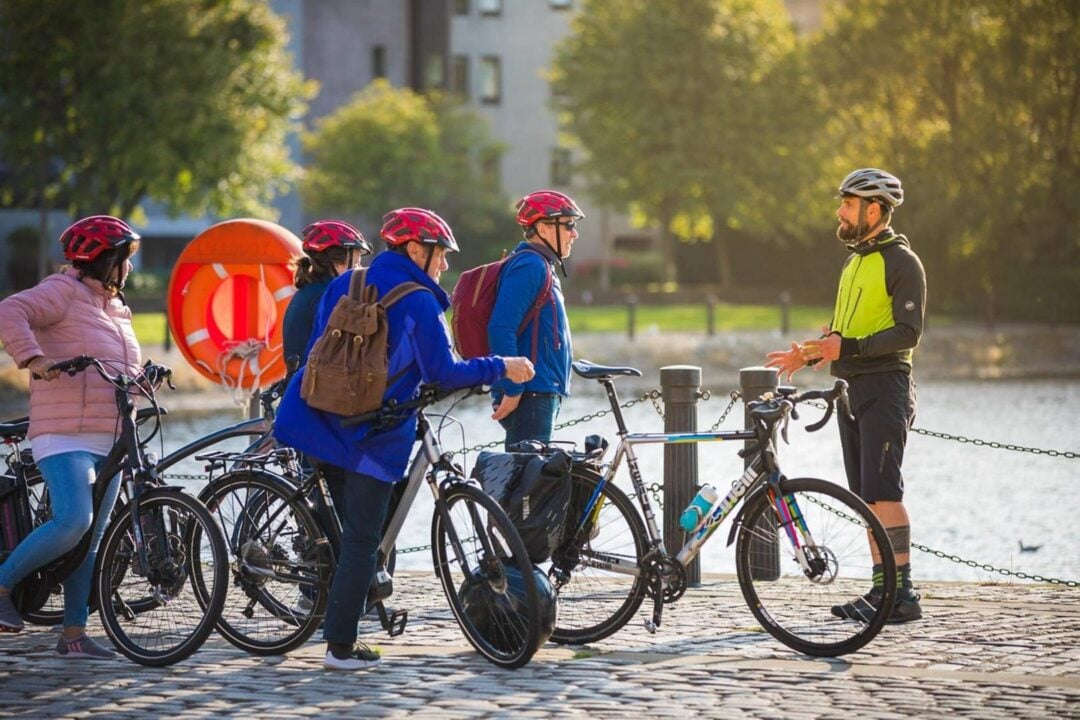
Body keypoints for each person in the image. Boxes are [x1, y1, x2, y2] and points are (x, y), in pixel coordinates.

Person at [273, 207, 535, 671]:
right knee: (361, 539)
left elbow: (323, 351)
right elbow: (445, 371)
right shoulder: (418, 300)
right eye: (440, 254)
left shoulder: (345, 284)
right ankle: (340, 648)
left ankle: (343, 604)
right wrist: (502, 365)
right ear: (415, 250)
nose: (445, 264)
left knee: (348, 533)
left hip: (317, 417)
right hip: (370, 431)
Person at [766, 168, 925, 624]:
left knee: (884, 492)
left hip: (885, 386)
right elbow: (847, 333)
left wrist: (846, 347)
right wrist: (814, 353)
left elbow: (908, 333)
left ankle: (904, 595)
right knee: (866, 497)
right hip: (851, 388)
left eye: (848, 204)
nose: (840, 211)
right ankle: (883, 592)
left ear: (874, 210)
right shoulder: (856, 261)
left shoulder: (902, 262)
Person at [0, 215, 144, 657]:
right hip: (64, 434)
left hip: (110, 437)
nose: (129, 268)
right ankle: (2, 585)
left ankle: (73, 635)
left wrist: (143, 380)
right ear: (103, 259)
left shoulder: (118, 309)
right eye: (124, 258)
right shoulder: (62, 291)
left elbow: (121, 368)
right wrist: (34, 359)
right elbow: (10, 310)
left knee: (91, 539)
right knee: (73, 520)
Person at [489, 190, 583, 449]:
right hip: (530, 392)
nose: (574, 233)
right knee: (527, 484)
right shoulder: (529, 265)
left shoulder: (541, 265)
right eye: (568, 225)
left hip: (540, 390)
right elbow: (501, 327)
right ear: (543, 228)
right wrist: (513, 387)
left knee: (535, 481)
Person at [282, 219, 372, 375]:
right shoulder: (325, 297)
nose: (360, 269)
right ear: (336, 264)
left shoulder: (311, 291)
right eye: (356, 263)